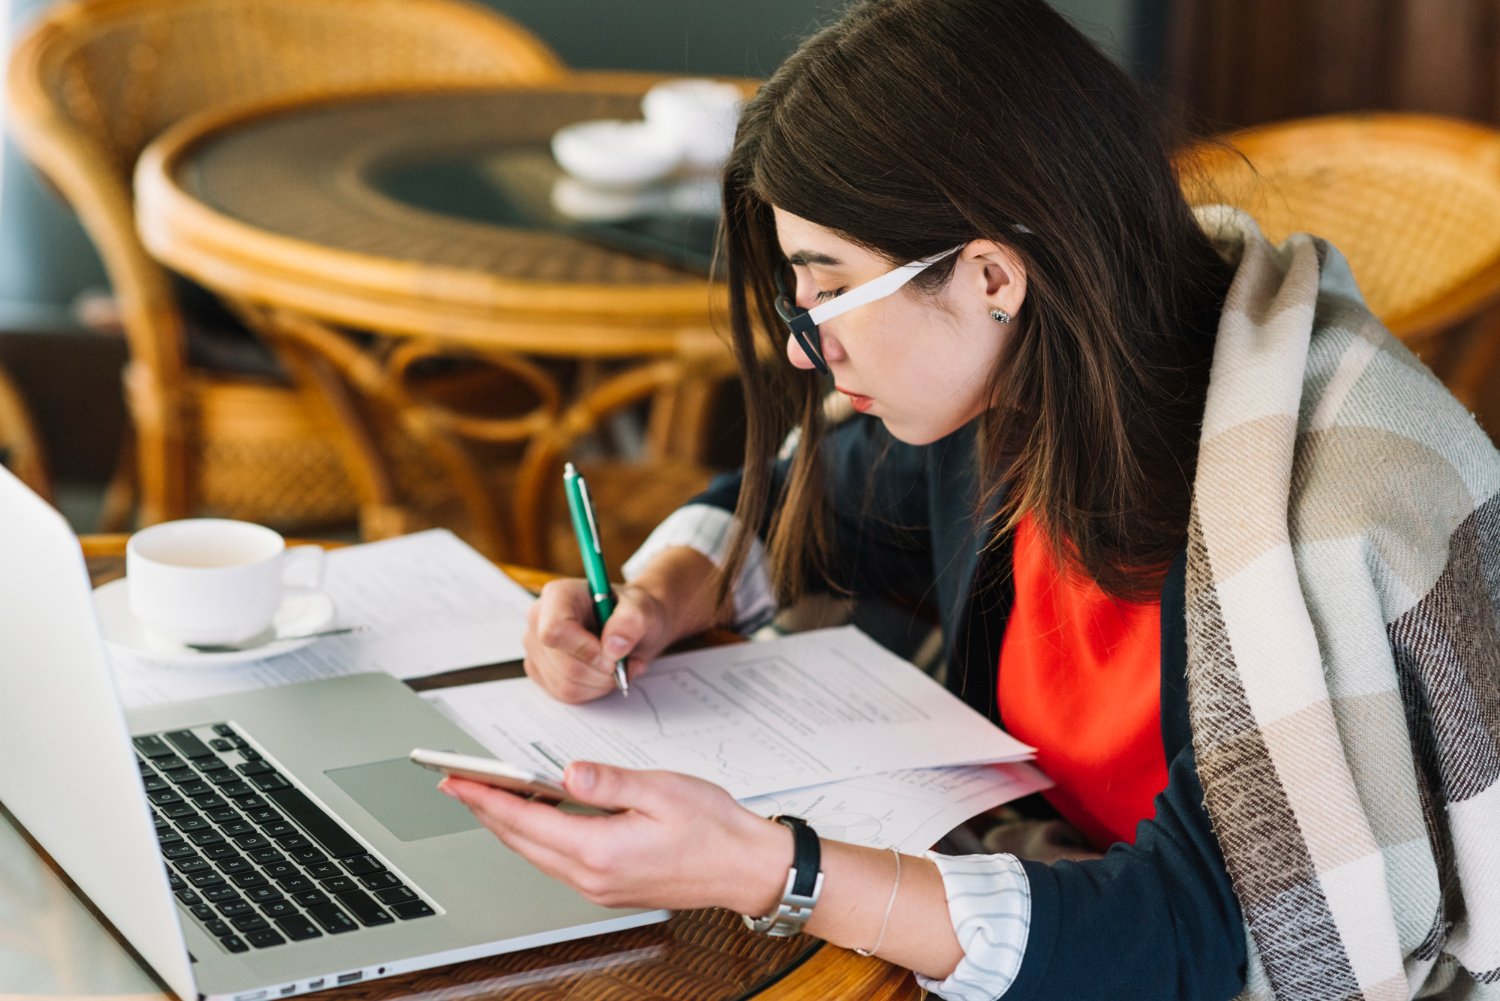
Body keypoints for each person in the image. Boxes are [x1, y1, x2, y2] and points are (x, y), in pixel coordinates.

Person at [438, 1, 1500, 997]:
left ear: (992, 276)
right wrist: (657, 593)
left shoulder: (1303, 525)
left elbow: (1212, 934)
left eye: (828, 286)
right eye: (793, 296)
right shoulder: (1033, 387)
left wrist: (773, 869)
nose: (813, 351)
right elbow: (821, 512)